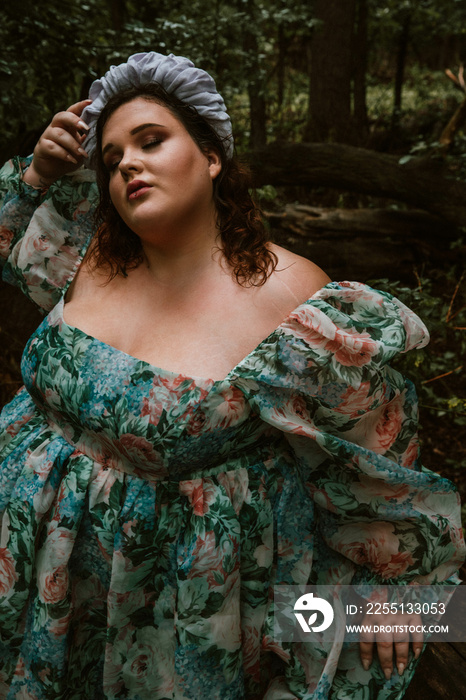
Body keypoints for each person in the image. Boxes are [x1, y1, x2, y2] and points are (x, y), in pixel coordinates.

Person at [0, 51, 463, 700]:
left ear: (212, 156)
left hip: (166, 616)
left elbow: (375, 460)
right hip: (31, 569)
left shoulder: (291, 299)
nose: (127, 162)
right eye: (110, 159)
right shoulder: (89, 247)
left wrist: (401, 602)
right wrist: (37, 173)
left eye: (151, 140)